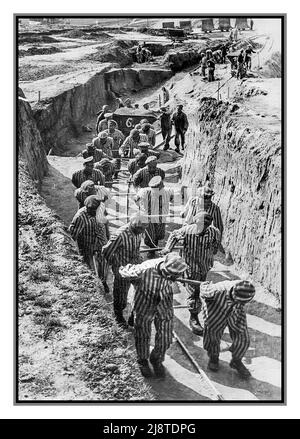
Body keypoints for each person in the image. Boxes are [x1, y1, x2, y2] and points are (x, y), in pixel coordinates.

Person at [119, 253, 188, 377]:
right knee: (143, 333)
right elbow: (124, 271)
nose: (175, 279)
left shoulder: (174, 266)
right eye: (172, 276)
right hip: (145, 300)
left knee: (166, 337)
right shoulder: (144, 270)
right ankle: (142, 360)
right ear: (165, 269)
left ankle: (156, 358)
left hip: (164, 299)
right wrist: (132, 278)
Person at [161, 211, 220, 336]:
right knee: (194, 291)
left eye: (206, 225)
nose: (203, 228)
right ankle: (194, 318)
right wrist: (168, 249)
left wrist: (212, 251)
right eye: (200, 225)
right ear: (195, 222)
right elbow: (174, 236)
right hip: (190, 266)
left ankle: (193, 298)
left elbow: (216, 245)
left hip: (205, 265)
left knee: (199, 285)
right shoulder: (187, 231)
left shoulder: (214, 232)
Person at [201, 280, 255, 378]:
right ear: (233, 294)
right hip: (216, 310)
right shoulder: (215, 290)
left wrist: (239, 304)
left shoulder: (246, 289)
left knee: (243, 337)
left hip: (236, 311)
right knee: (213, 335)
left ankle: (236, 361)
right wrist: (209, 301)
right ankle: (213, 357)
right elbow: (203, 288)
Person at [102, 215, 146, 326]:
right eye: (138, 230)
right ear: (133, 226)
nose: (140, 233)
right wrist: (115, 265)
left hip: (135, 266)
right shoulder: (120, 235)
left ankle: (133, 316)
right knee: (121, 295)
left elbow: (137, 247)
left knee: (142, 290)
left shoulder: (139, 231)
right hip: (122, 269)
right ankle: (119, 316)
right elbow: (106, 251)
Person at [68, 195, 109, 293]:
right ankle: (93, 285)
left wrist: (107, 236)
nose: (95, 212)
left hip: (100, 241)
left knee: (103, 261)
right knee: (88, 265)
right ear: (87, 207)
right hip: (87, 243)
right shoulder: (80, 216)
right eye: (92, 210)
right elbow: (72, 234)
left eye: (96, 209)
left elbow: (105, 221)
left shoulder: (101, 208)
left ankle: (103, 281)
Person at [135, 176, 173, 258]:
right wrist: (141, 208)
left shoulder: (167, 192)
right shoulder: (144, 191)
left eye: (161, 187)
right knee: (150, 236)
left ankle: (154, 247)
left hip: (161, 217)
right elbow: (136, 198)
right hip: (149, 218)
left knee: (160, 235)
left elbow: (172, 197)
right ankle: (152, 250)